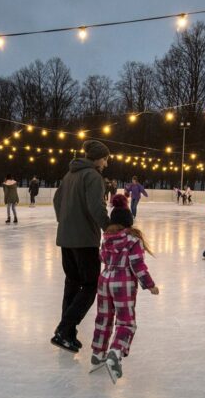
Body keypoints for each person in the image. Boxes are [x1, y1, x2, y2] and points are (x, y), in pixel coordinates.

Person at [91, 194, 159, 382]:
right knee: (126, 322)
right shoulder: (132, 240)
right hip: (123, 281)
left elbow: (103, 259)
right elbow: (137, 265)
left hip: (104, 279)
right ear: (129, 222)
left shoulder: (107, 238)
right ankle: (115, 351)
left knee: (104, 318)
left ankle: (98, 353)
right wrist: (150, 285)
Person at [51, 139, 111, 353]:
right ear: (97, 158)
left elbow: (57, 201)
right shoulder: (92, 176)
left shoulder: (70, 174)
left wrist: (65, 221)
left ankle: (67, 333)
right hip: (84, 240)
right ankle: (64, 329)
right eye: (105, 159)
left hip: (66, 238)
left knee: (72, 283)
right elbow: (97, 207)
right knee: (90, 285)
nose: (106, 164)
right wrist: (110, 228)